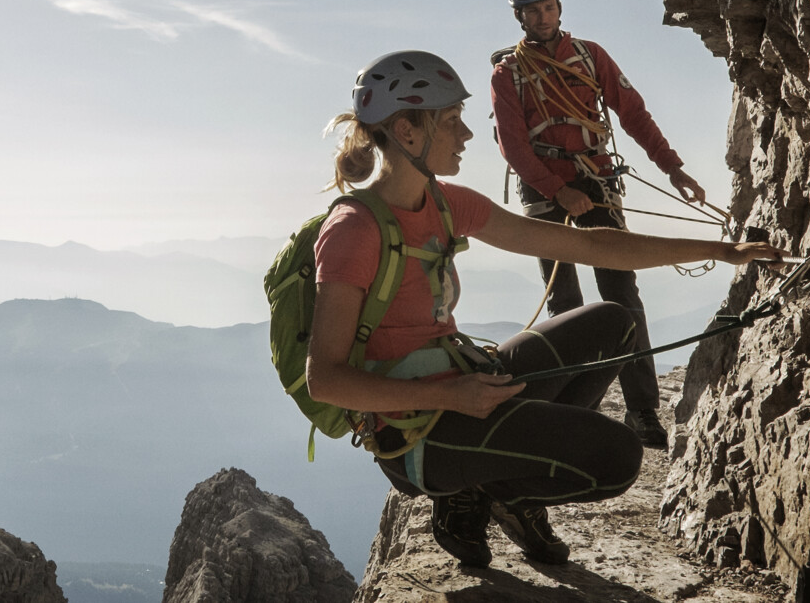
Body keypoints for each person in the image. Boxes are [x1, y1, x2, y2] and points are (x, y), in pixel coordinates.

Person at [311, 50, 781, 567]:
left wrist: (719, 250)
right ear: (407, 131)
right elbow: (327, 381)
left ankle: (500, 491)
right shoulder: (354, 231)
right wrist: (451, 396)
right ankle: (495, 493)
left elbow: (594, 246)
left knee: (614, 323)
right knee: (617, 458)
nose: (466, 134)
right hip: (416, 435)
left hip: (463, 387)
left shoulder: (447, 203)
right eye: (451, 121)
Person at [489, 0, 707, 448]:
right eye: (532, 10)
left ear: (560, 9)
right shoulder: (509, 73)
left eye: (548, 8)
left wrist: (673, 169)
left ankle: (643, 411)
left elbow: (632, 113)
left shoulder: (590, 56)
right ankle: (573, 410)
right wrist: (556, 188)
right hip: (546, 193)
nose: (542, 17)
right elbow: (513, 146)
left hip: (596, 182)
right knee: (565, 303)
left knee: (621, 294)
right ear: (520, 16)